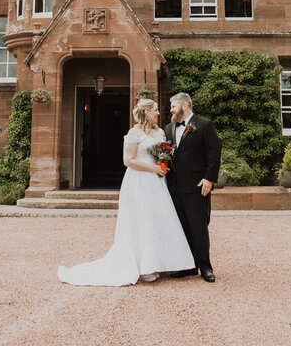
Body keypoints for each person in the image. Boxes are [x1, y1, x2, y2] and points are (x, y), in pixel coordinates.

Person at [57, 98, 195, 286]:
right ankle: (142, 266)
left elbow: (163, 154)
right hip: (139, 181)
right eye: (155, 110)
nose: (158, 113)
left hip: (157, 183)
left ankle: (157, 262)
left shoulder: (160, 131)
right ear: (146, 112)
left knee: (158, 219)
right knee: (141, 220)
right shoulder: (134, 132)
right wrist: (153, 169)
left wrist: (161, 165)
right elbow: (127, 160)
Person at [164, 92, 222, 283]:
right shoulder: (168, 129)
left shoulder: (205, 125)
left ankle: (205, 266)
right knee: (180, 227)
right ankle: (187, 265)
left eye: (173, 106)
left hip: (197, 186)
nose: (171, 110)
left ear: (184, 106)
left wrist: (209, 179)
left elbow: (214, 154)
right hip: (174, 187)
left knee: (198, 226)